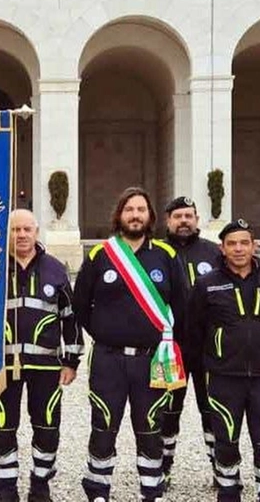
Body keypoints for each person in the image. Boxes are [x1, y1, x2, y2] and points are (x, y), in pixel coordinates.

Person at [73, 187, 184, 502]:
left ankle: (152, 490)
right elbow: (81, 305)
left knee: (151, 426)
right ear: (119, 215)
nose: (135, 215)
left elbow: (183, 306)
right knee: (104, 423)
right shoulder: (100, 255)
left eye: (141, 209)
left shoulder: (166, 254)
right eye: (129, 209)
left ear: (150, 216)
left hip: (154, 359)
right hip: (108, 359)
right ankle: (98, 490)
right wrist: (106, 333)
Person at [185, 219, 260, 502]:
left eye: (244, 243)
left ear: (254, 246)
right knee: (226, 441)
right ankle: (229, 494)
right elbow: (194, 329)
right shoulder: (207, 283)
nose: (239, 249)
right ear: (222, 248)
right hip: (222, 378)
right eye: (232, 244)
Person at [0, 209, 82, 502]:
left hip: (46, 367)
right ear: (8, 233)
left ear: (36, 232)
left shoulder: (55, 268)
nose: (22, 235)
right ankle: (5, 487)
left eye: (27, 229)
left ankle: (40, 484)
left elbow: (71, 317)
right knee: (3, 425)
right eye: (15, 230)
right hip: (2, 367)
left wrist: (71, 361)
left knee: (47, 426)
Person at [158, 195, 221, 483]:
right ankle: (162, 468)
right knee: (167, 411)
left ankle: (221, 468)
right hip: (170, 349)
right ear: (167, 221)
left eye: (189, 215)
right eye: (178, 216)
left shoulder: (214, 253)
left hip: (209, 349)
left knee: (213, 410)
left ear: (197, 219)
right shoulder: (154, 253)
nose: (184, 220)